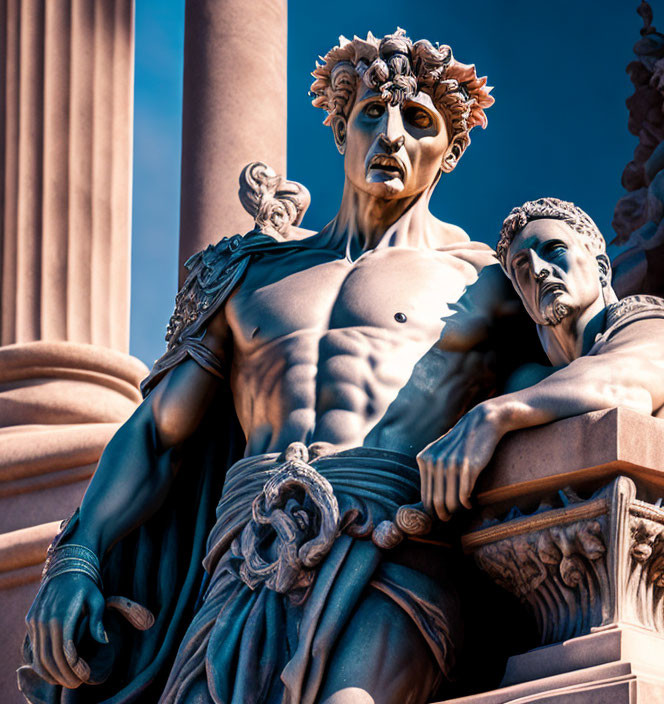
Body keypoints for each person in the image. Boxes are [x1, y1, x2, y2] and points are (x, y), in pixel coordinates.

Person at [21, 29, 526, 704]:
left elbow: (583, 358)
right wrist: (76, 558)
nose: (392, 135)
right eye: (371, 112)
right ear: (341, 130)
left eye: (419, 120)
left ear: (451, 151)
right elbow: (157, 432)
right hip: (243, 561)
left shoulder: (487, 283)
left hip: (391, 545)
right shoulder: (249, 276)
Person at [417, 197, 664, 521]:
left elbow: (626, 385)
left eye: (554, 250)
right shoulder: (538, 383)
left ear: (600, 266)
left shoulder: (656, 325)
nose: (539, 271)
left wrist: (493, 414)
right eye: (522, 269)